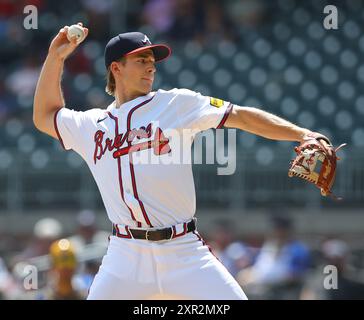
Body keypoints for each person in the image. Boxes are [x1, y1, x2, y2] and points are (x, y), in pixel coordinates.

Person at [33, 22, 333, 299]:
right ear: (116, 68)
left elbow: (240, 116)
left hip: (183, 250)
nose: (151, 68)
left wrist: (301, 134)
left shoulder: (176, 103)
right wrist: (55, 58)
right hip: (125, 255)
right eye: (141, 60)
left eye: (152, 62)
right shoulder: (91, 124)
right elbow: (45, 117)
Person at [237, 216, 310, 299]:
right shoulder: (269, 245)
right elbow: (259, 267)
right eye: (275, 229)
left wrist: (268, 280)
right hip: (260, 285)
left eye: (280, 229)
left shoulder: (297, 249)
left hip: (279, 290)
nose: (276, 232)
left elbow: (294, 275)